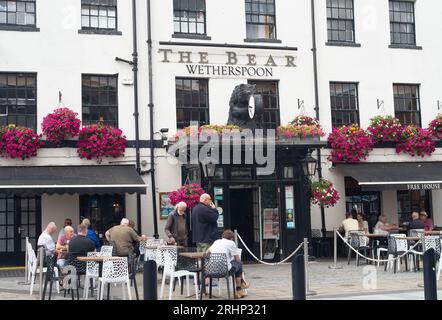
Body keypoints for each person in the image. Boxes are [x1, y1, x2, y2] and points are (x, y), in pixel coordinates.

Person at [208, 229, 249, 299]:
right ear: (232, 238)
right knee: (239, 264)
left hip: (211, 270)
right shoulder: (231, 243)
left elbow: (207, 253)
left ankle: (241, 285)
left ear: (222, 236)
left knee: (235, 265)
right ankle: (239, 288)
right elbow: (237, 259)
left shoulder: (216, 241)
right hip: (224, 270)